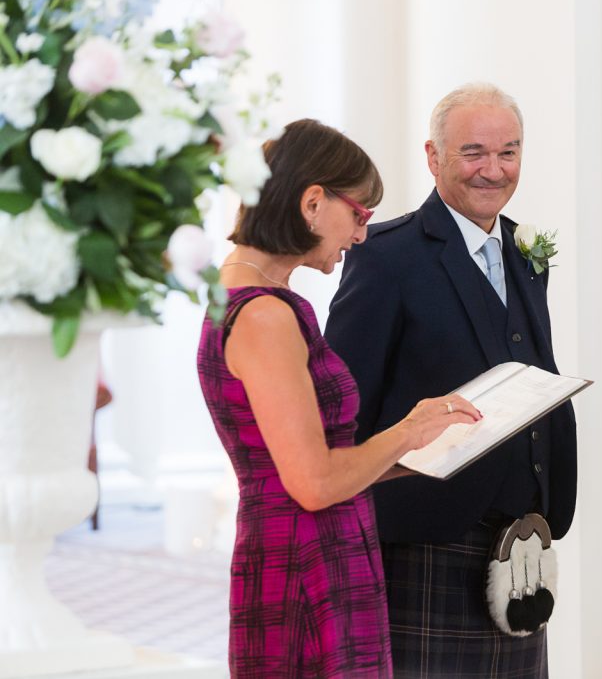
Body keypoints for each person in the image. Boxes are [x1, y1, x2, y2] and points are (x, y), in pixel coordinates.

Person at [196, 118, 481, 678]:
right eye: (360, 214)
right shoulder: (262, 314)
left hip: (314, 548)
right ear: (312, 202)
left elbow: (313, 464)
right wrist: (409, 428)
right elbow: (313, 482)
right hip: (303, 561)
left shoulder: (261, 299)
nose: (360, 235)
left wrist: (424, 452)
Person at [324, 83, 577, 677]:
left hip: (522, 546)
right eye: (473, 153)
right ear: (433, 157)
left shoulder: (523, 250)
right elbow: (343, 409)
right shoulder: (386, 255)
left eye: (508, 152)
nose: (493, 170)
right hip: (425, 543)